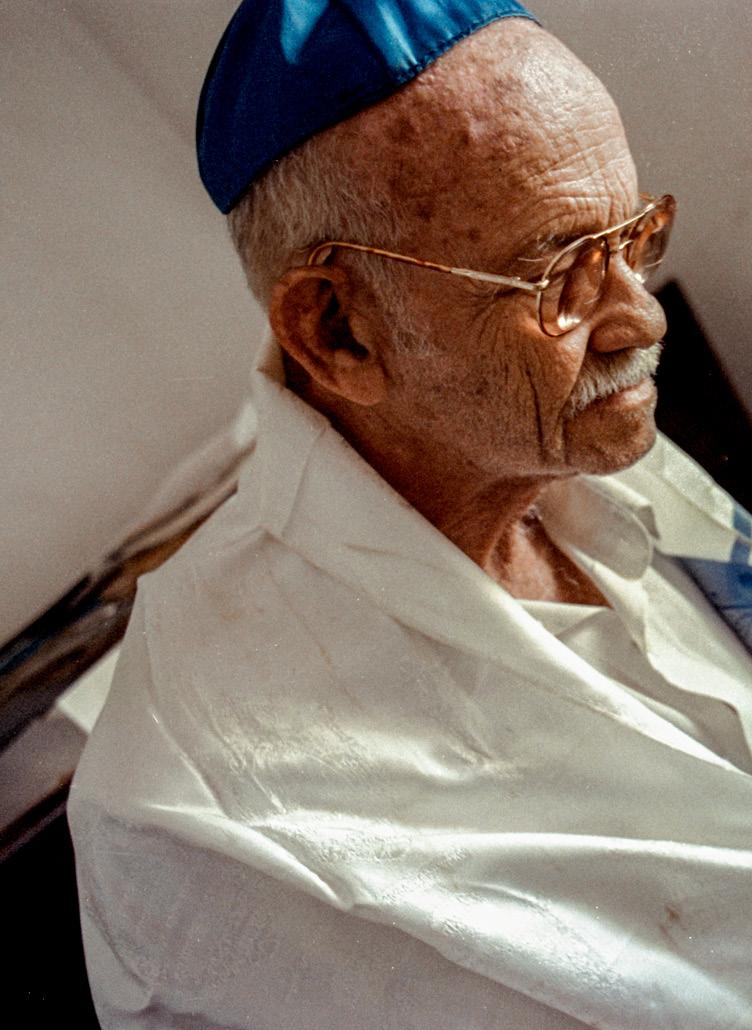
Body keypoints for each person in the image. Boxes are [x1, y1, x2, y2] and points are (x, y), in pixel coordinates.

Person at [69, 2, 752, 1027]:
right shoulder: (194, 813)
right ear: (337, 330)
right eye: (556, 275)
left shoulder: (553, 430)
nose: (639, 314)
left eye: (633, 238)